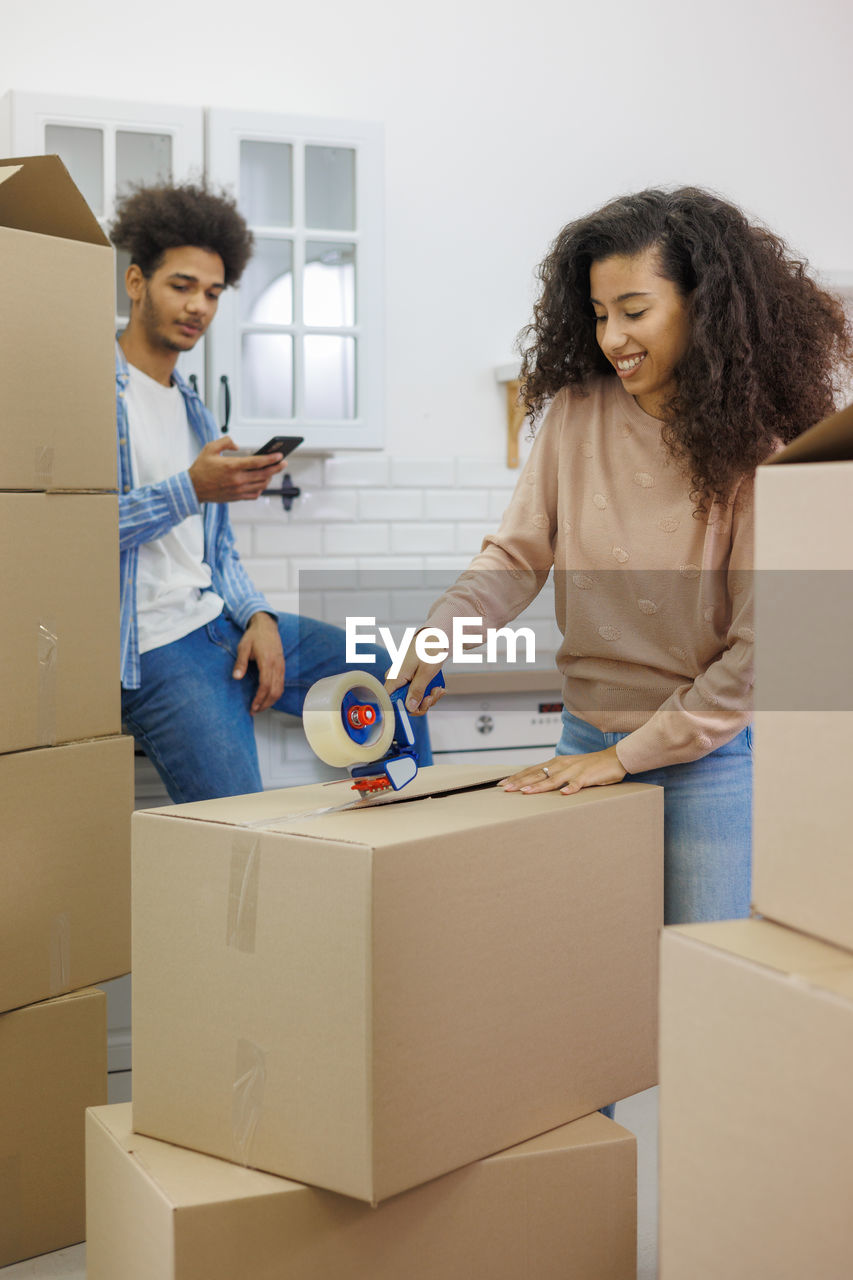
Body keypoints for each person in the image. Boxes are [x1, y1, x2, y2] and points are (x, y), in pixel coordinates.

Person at [388, 186, 851, 926]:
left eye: (634, 312)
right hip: (580, 741)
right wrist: (444, 629)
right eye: (600, 314)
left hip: (704, 762)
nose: (611, 338)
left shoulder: (761, 449)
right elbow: (517, 554)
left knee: (697, 994)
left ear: (702, 306)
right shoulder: (576, 413)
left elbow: (759, 654)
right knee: (595, 991)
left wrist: (626, 756)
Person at [112, 180, 430, 802]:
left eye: (212, 292)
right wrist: (190, 488)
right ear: (135, 284)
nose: (198, 306)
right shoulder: (96, 396)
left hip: (219, 624)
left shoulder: (196, 412)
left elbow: (217, 553)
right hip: (153, 650)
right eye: (181, 286)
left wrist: (257, 616)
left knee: (391, 669)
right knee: (244, 833)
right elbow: (67, 532)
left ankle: (406, 830)